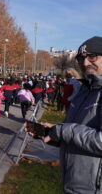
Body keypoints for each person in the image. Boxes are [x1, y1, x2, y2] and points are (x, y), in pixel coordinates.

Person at [26, 36, 102, 193]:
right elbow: (77, 135)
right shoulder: (84, 90)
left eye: (92, 56)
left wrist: (62, 130)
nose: (85, 63)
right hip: (72, 183)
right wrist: (52, 134)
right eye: (81, 58)